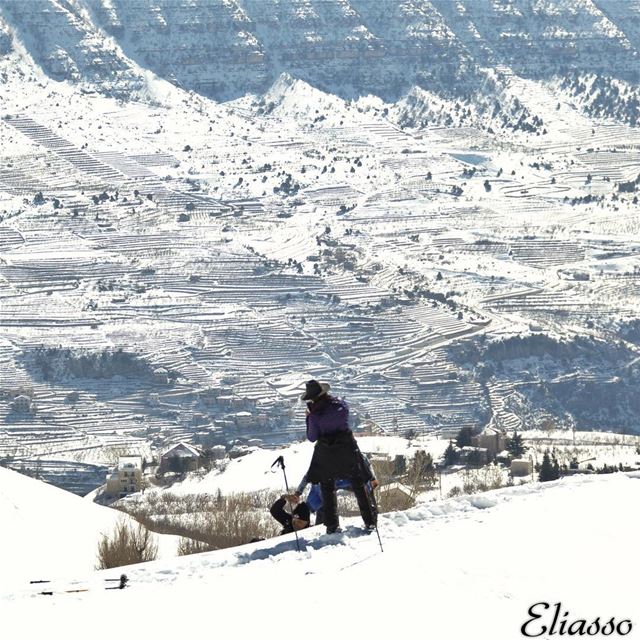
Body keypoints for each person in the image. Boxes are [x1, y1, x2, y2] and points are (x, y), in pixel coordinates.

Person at [300, 379, 377, 534]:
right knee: (358, 484)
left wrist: (308, 417)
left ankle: (332, 526)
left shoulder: (315, 416)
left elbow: (312, 437)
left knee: (327, 488)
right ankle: (370, 521)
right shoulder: (341, 405)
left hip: (327, 454)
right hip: (347, 449)